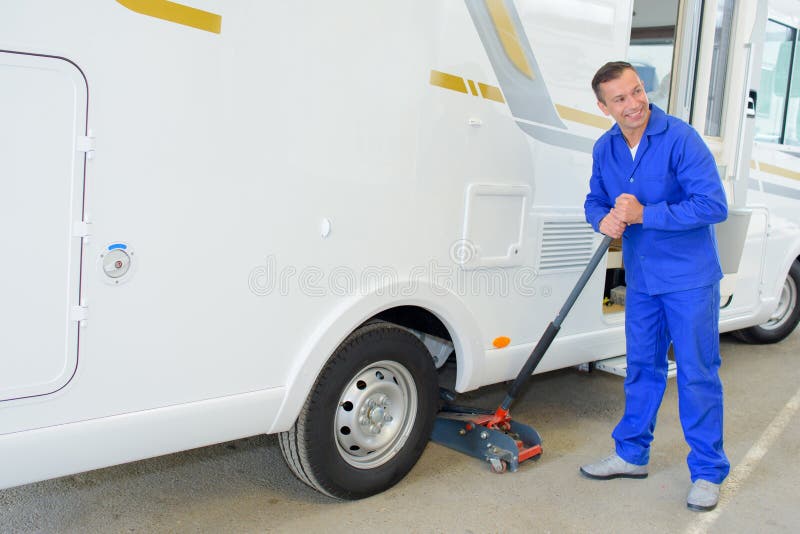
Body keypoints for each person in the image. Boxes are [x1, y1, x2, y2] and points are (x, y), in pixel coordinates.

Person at [581, 61, 730, 512]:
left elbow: (713, 204)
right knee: (641, 368)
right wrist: (601, 218)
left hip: (688, 279)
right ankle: (631, 454)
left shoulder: (680, 137)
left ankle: (707, 471)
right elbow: (595, 199)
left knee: (697, 371)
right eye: (620, 98)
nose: (634, 104)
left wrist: (648, 214)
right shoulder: (605, 148)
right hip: (641, 280)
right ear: (603, 106)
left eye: (638, 91)